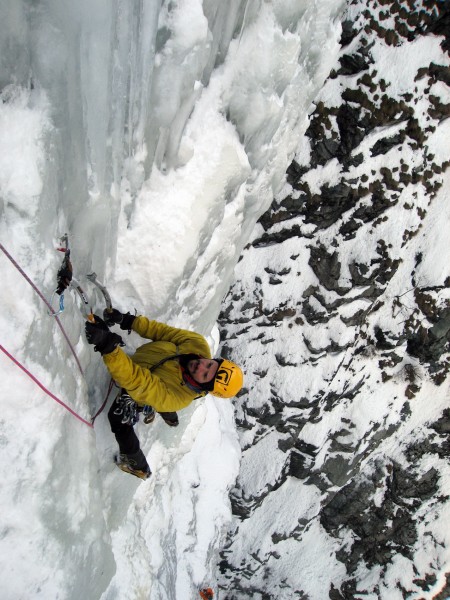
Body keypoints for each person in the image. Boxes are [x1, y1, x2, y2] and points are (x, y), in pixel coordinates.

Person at [85, 309, 244, 480]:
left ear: (205, 386)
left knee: (117, 419)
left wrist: (108, 348)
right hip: (148, 372)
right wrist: (127, 320)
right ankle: (164, 411)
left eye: (205, 375)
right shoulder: (198, 345)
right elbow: (161, 331)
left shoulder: (177, 398)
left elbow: (137, 381)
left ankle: (136, 463)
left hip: (142, 388)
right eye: (210, 365)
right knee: (162, 399)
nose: (201, 366)